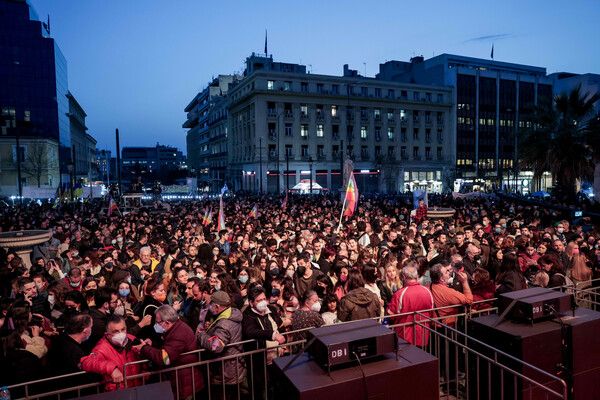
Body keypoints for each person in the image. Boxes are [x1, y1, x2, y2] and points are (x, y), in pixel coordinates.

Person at [139, 305, 204, 399]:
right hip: (179, 380)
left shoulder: (179, 333)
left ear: (167, 322)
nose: (155, 325)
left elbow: (165, 358)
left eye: (157, 322)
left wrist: (143, 348)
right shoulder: (174, 328)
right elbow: (168, 345)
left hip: (184, 383)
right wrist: (152, 343)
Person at [196, 291, 247, 399]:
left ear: (217, 306)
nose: (209, 306)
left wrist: (201, 335)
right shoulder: (232, 313)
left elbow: (215, 347)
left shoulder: (224, 324)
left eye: (210, 304)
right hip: (232, 368)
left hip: (224, 373)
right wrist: (211, 328)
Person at [80, 315, 142, 392]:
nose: (121, 334)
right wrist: (111, 368)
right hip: (117, 393)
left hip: (137, 389)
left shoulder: (131, 338)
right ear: (107, 334)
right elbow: (86, 362)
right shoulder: (102, 347)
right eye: (115, 331)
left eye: (123, 329)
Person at [387, 264, 434, 346]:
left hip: (405, 335)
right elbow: (431, 310)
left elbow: (391, 313)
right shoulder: (427, 291)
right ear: (416, 276)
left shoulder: (400, 294)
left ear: (404, 277)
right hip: (423, 333)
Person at [429, 263, 473, 327]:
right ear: (442, 279)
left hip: (432, 326)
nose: (450, 273)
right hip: (447, 327)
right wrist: (464, 281)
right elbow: (469, 300)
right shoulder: (448, 292)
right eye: (446, 272)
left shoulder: (427, 287)